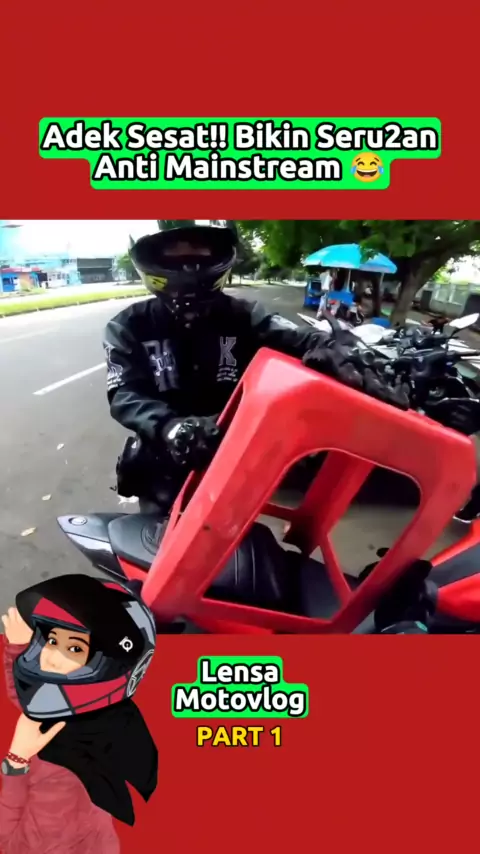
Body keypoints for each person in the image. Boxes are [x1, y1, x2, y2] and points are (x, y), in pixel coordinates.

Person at [103, 222, 409, 513]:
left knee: (237, 540)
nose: (188, 264)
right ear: (152, 258)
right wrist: (170, 427)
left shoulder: (245, 315)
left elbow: (297, 336)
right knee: (156, 544)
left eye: (198, 251)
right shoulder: (127, 326)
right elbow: (124, 395)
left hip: (232, 459)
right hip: (163, 465)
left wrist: (339, 350)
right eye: (175, 253)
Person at [0, 575, 158, 853]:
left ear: (107, 669)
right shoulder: (103, 719)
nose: (48, 657)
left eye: (74, 648)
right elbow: (38, 703)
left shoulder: (62, 775)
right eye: (51, 640)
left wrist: (17, 760)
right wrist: (17, 651)